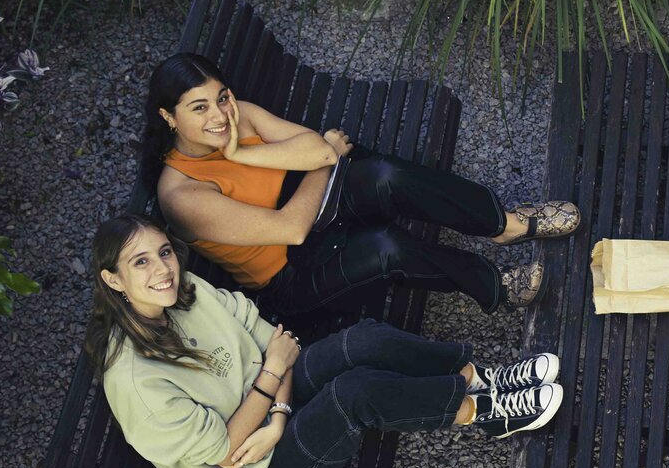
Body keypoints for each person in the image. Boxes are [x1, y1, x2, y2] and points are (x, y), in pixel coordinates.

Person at [85, 213, 564, 468]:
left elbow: (277, 343)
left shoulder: (186, 290)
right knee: (356, 393)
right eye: (140, 262)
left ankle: (479, 378)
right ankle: (482, 412)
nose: (163, 270)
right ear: (113, 280)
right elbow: (226, 450)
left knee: (363, 341)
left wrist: (277, 413)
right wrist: (274, 380)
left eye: (163, 252)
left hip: (272, 410)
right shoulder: (136, 381)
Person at [144, 52, 580, 316]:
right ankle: (496, 287)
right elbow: (292, 227)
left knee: (384, 176)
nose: (219, 116)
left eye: (221, 98)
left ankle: (503, 225)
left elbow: (317, 152)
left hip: (314, 211)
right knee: (385, 246)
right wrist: (325, 156)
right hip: (291, 274)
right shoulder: (182, 195)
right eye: (199, 108)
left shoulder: (238, 117)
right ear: (168, 117)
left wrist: (242, 153)